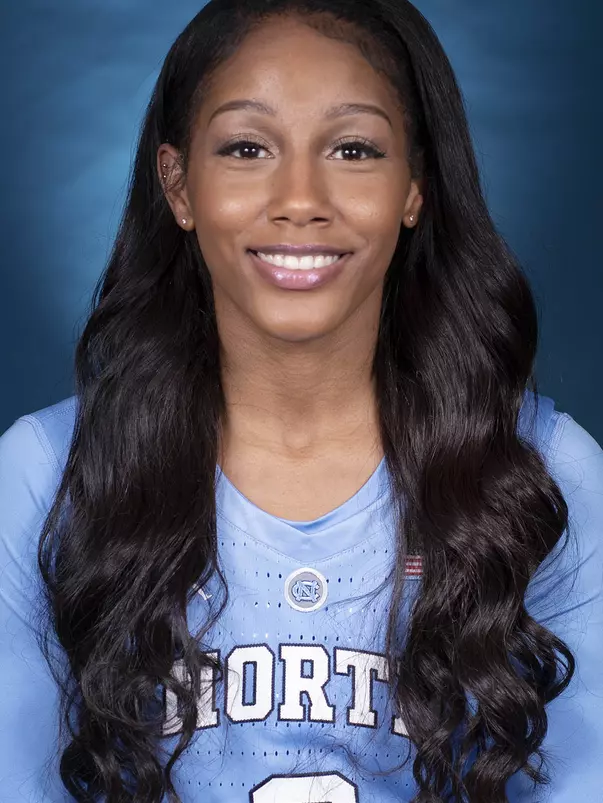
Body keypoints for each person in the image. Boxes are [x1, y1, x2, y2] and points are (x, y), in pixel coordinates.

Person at [0, 0, 601, 800]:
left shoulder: (541, 471)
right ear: (178, 185)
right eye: (246, 148)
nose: (299, 198)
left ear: (413, 186)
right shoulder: (43, 477)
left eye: (353, 149)